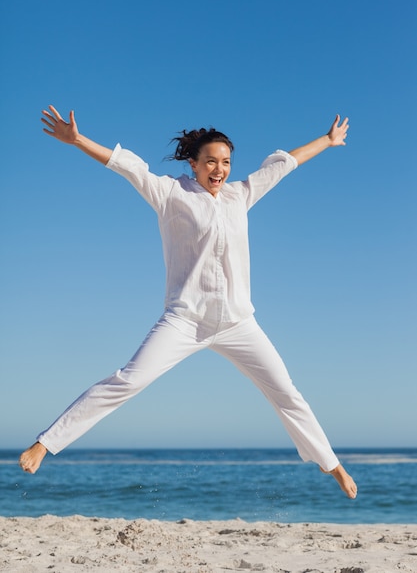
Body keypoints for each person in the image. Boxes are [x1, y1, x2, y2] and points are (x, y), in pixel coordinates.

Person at [19, 105, 357, 499]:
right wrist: (77, 140)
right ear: (193, 163)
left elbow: (285, 164)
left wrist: (328, 141)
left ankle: (332, 465)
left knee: (286, 392)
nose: (220, 169)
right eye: (211, 161)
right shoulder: (170, 193)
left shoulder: (239, 195)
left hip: (237, 322)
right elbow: (127, 166)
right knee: (129, 380)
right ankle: (45, 443)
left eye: (226, 162)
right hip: (185, 319)